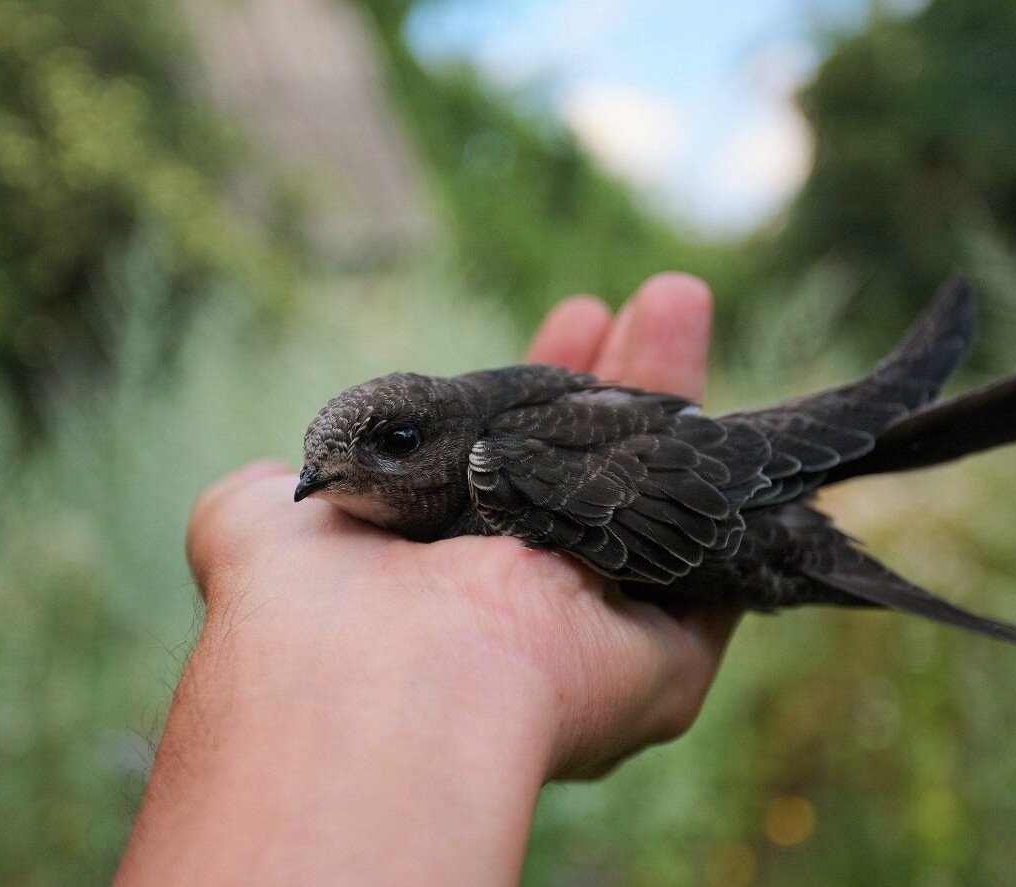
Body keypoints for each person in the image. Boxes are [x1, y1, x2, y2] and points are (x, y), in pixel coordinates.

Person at [114, 274, 740, 886]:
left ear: (440, 435)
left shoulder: (501, 464)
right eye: (317, 460)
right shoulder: (369, 494)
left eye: (399, 443)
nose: (320, 482)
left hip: (729, 487)